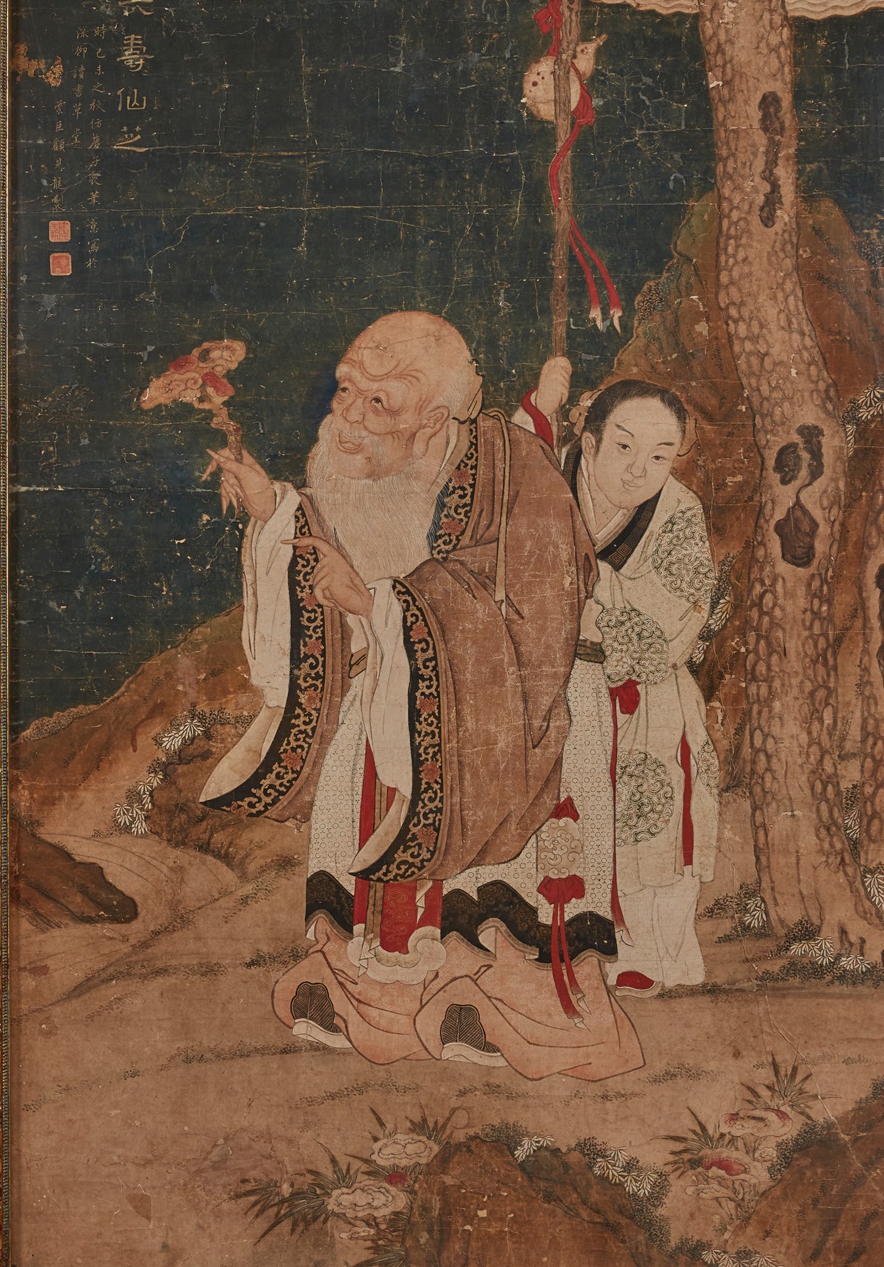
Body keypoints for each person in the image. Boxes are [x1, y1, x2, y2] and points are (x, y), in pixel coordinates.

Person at [201, 313, 645, 1081]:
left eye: (379, 404)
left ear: (435, 420)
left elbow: (534, 616)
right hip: (398, 681)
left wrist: (380, 605)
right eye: (347, 389)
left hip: (519, 708)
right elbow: (332, 561)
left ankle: (520, 1012)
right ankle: (377, 999)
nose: (348, 415)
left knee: (502, 843)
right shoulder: (361, 468)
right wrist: (273, 513)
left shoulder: (515, 472)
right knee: (358, 758)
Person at [514, 368, 722, 995]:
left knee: (649, 807)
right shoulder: (544, 480)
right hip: (548, 681)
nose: (639, 470)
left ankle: (651, 950)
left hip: (645, 690)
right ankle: (553, 940)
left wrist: (599, 590)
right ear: (591, 438)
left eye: (660, 456)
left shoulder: (679, 511)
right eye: (625, 446)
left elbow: (682, 609)